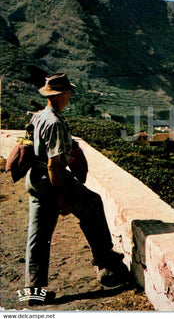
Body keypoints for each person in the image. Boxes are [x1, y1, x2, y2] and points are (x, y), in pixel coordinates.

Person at [25, 73, 129, 305]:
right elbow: (54, 163)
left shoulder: (39, 116)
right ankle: (105, 259)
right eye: (68, 92)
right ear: (61, 96)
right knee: (92, 203)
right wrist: (62, 197)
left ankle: (34, 290)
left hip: (35, 179)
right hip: (52, 178)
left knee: (38, 237)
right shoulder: (55, 122)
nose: (70, 96)